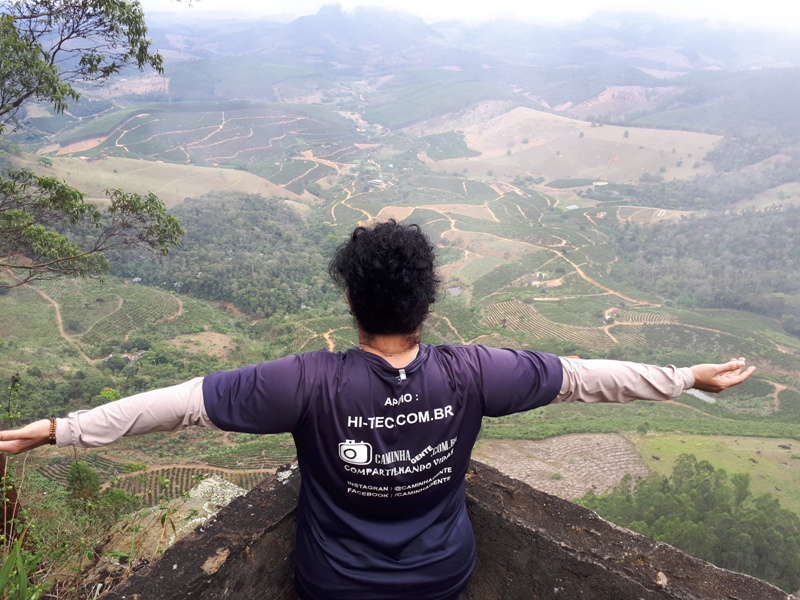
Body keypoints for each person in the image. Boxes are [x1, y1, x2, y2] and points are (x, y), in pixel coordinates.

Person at [0, 220, 754, 600]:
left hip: (334, 582)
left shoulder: (306, 382)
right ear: (425, 303)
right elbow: (588, 378)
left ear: (351, 301)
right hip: (443, 574)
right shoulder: (474, 374)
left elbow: (175, 406)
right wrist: (687, 376)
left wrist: (57, 431)